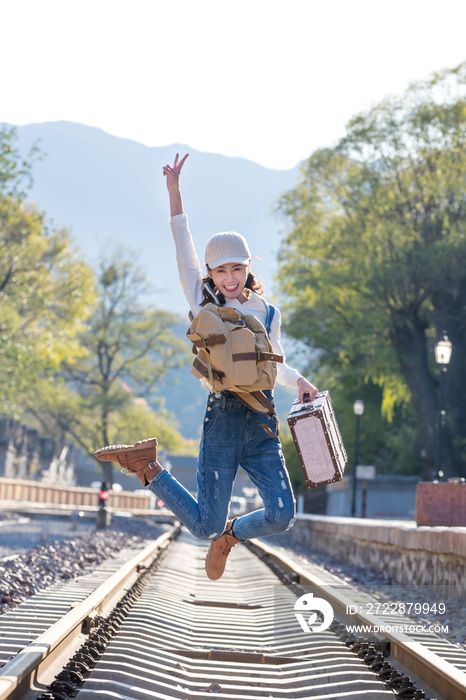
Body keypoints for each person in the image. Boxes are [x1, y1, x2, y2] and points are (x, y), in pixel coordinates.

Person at [94, 153, 318, 581]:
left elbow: (274, 364)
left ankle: (231, 535)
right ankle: (148, 467)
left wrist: (301, 381)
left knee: (282, 514)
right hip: (223, 418)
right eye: (221, 270)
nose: (230, 278)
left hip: (263, 420)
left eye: (238, 268)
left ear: (248, 267)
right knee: (202, 526)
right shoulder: (202, 300)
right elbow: (183, 244)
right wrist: (175, 191)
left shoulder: (268, 312)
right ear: (211, 273)